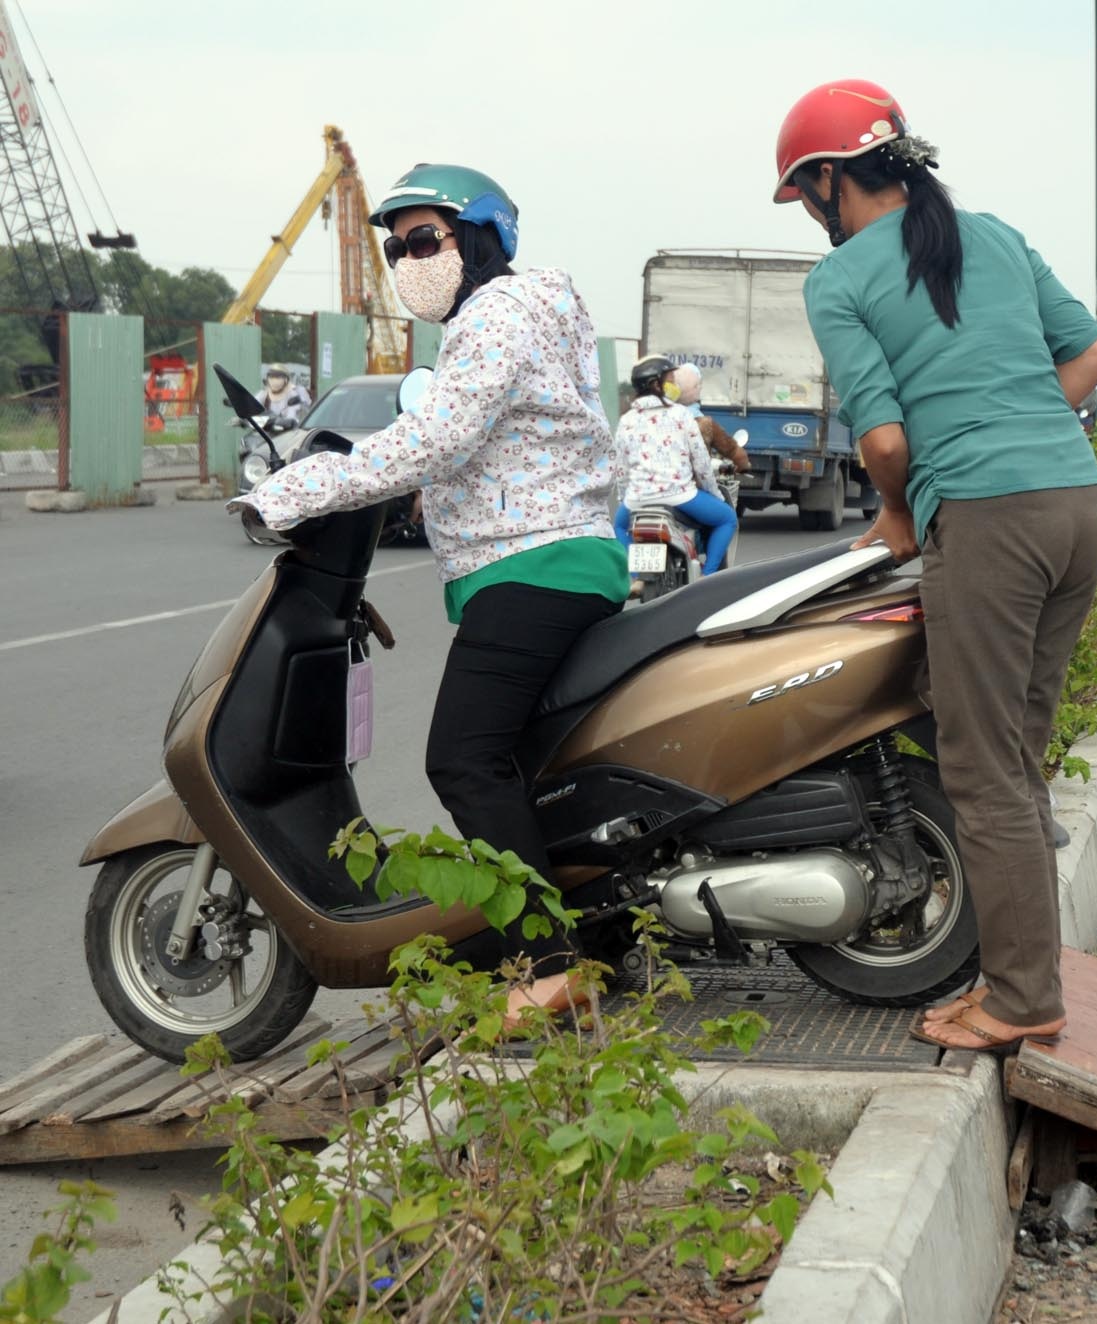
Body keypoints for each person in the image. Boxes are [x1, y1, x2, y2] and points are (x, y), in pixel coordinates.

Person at [228, 163, 625, 1026]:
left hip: (535, 566)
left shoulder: (495, 316)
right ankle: (590, 936)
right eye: (395, 245)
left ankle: (550, 967)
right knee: (522, 764)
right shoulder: (533, 314)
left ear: (480, 238)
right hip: (559, 559)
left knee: (460, 760)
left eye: (424, 240)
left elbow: (433, 437)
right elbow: (480, 438)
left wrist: (295, 490)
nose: (407, 260)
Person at [774, 78, 1097, 1053]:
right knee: (1014, 756)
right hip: (1073, 504)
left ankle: (1019, 1000)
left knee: (979, 767)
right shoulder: (997, 235)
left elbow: (883, 443)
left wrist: (896, 512)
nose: (809, 216)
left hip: (989, 518)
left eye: (805, 196)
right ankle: (1020, 974)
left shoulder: (839, 281)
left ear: (832, 181)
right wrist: (1017, 419)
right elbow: (1092, 355)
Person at [614, 355, 737, 574]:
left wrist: (627, 497)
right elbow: (701, 462)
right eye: (670, 379)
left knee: (619, 527)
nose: (674, 384)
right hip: (681, 497)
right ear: (656, 384)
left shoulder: (626, 420)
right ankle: (708, 577)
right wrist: (714, 493)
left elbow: (621, 469)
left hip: (638, 500)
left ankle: (633, 577)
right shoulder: (680, 413)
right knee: (726, 518)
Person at [669, 362, 751, 475]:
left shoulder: (656, 418)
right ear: (694, 389)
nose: (700, 388)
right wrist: (743, 465)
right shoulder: (704, 423)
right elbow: (733, 451)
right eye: (698, 385)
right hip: (693, 486)